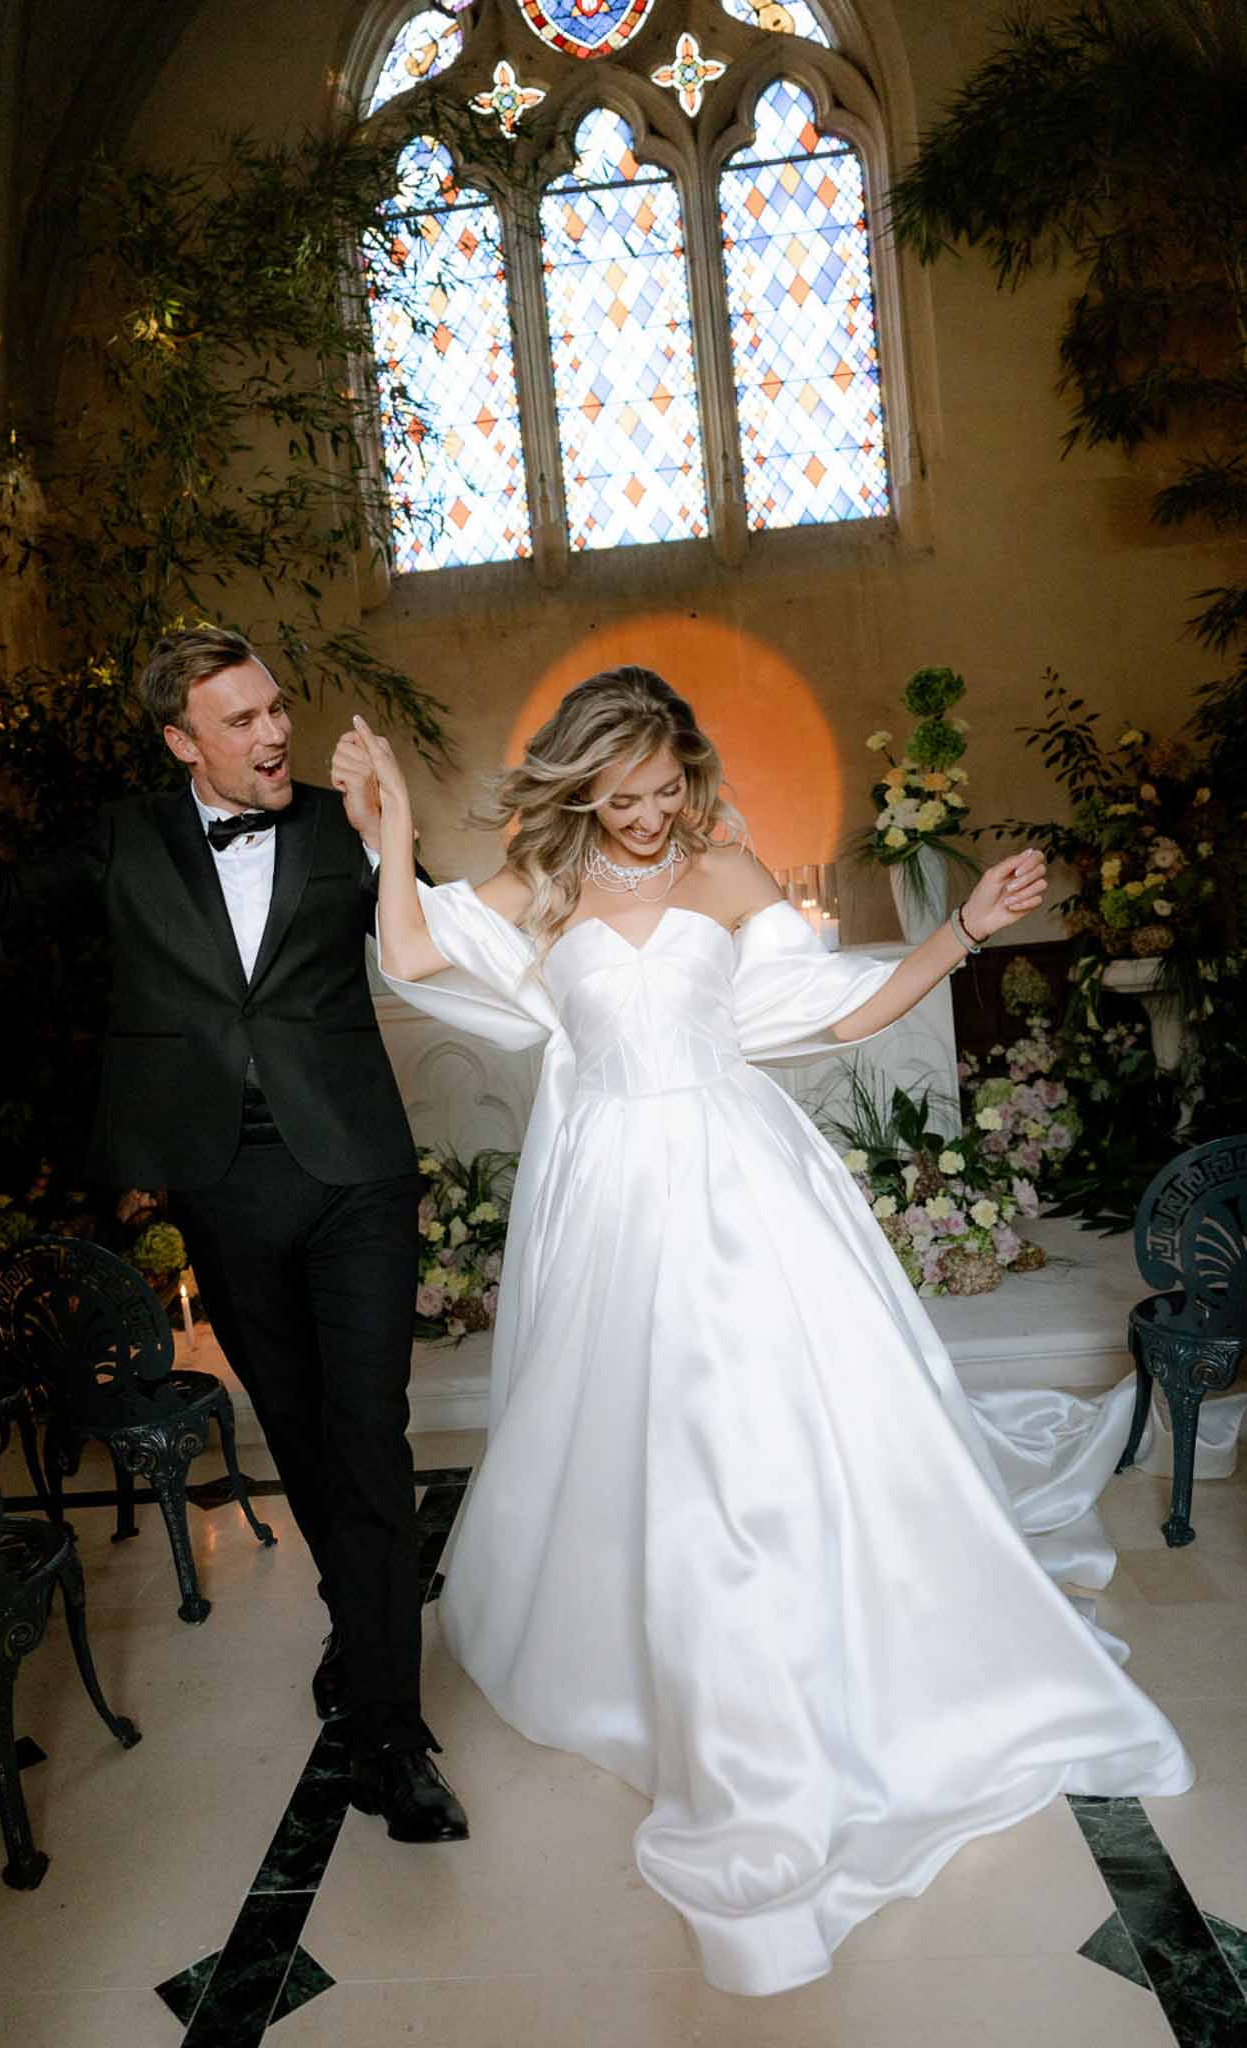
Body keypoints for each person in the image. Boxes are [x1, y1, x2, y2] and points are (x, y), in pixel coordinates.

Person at [333, 666, 1192, 1996]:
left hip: (740, 1190)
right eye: (615, 796)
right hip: (604, 1204)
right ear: (580, 789)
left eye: (662, 787)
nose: (641, 815)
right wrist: (387, 832)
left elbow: (836, 1012)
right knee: (634, 1435)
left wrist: (960, 928)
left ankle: (796, 1633)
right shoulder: (550, 886)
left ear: (688, 768)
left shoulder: (724, 875)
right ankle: (647, 1645)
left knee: (755, 1420)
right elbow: (410, 954)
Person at [0, 631, 467, 1845]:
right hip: (224, 1178)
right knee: (300, 1433)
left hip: (353, 1172)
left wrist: (391, 832)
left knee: (367, 1431)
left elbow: (444, 939)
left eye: (274, 710)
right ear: (179, 739)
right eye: (241, 720)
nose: (272, 736)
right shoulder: (126, 836)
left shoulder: (333, 821)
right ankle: (358, 1624)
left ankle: (392, 1731)